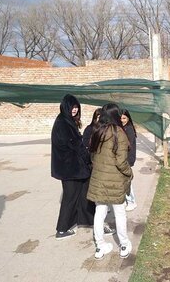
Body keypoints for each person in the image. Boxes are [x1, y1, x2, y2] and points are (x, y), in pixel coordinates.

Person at [87, 103, 133, 260]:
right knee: (120, 214)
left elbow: (92, 157)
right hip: (115, 180)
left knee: (99, 213)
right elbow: (121, 162)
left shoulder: (97, 131)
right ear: (115, 115)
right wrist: (129, 173)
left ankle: (100, 246)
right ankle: (124, 245)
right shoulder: (119, 133)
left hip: (99, 179)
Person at [51, 94, 94, 240]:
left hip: (74, 167)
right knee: (70, 197)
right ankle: (61, 229)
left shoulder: (67, 120)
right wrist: (88, 157)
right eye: (72, 107)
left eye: (76, 107)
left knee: (83, 194)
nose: (74, 110)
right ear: (66, 107)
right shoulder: (63, 122)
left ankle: (87, 220)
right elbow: (75, 145)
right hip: (70, 168)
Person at [82, 108, 116, 236]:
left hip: (102, 169)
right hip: (93, 167)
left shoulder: (107, 130)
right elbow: (86, 147)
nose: (98, 120)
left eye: (100, 117)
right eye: (96, 117)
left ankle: (99, 227)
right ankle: (100, 230)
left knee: (101, 202)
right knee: (99, 203)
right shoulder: (90, 130)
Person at [120, 109, 137, 211]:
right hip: (123, 159)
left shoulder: (129, 129)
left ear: (128, 118)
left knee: (127, 181)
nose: (122, 120)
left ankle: (131, 201)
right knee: (123, 181)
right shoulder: (122, 128)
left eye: (124, 118)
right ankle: (127, 200)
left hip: (127, 159)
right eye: (120, 118)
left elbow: (128, 146)